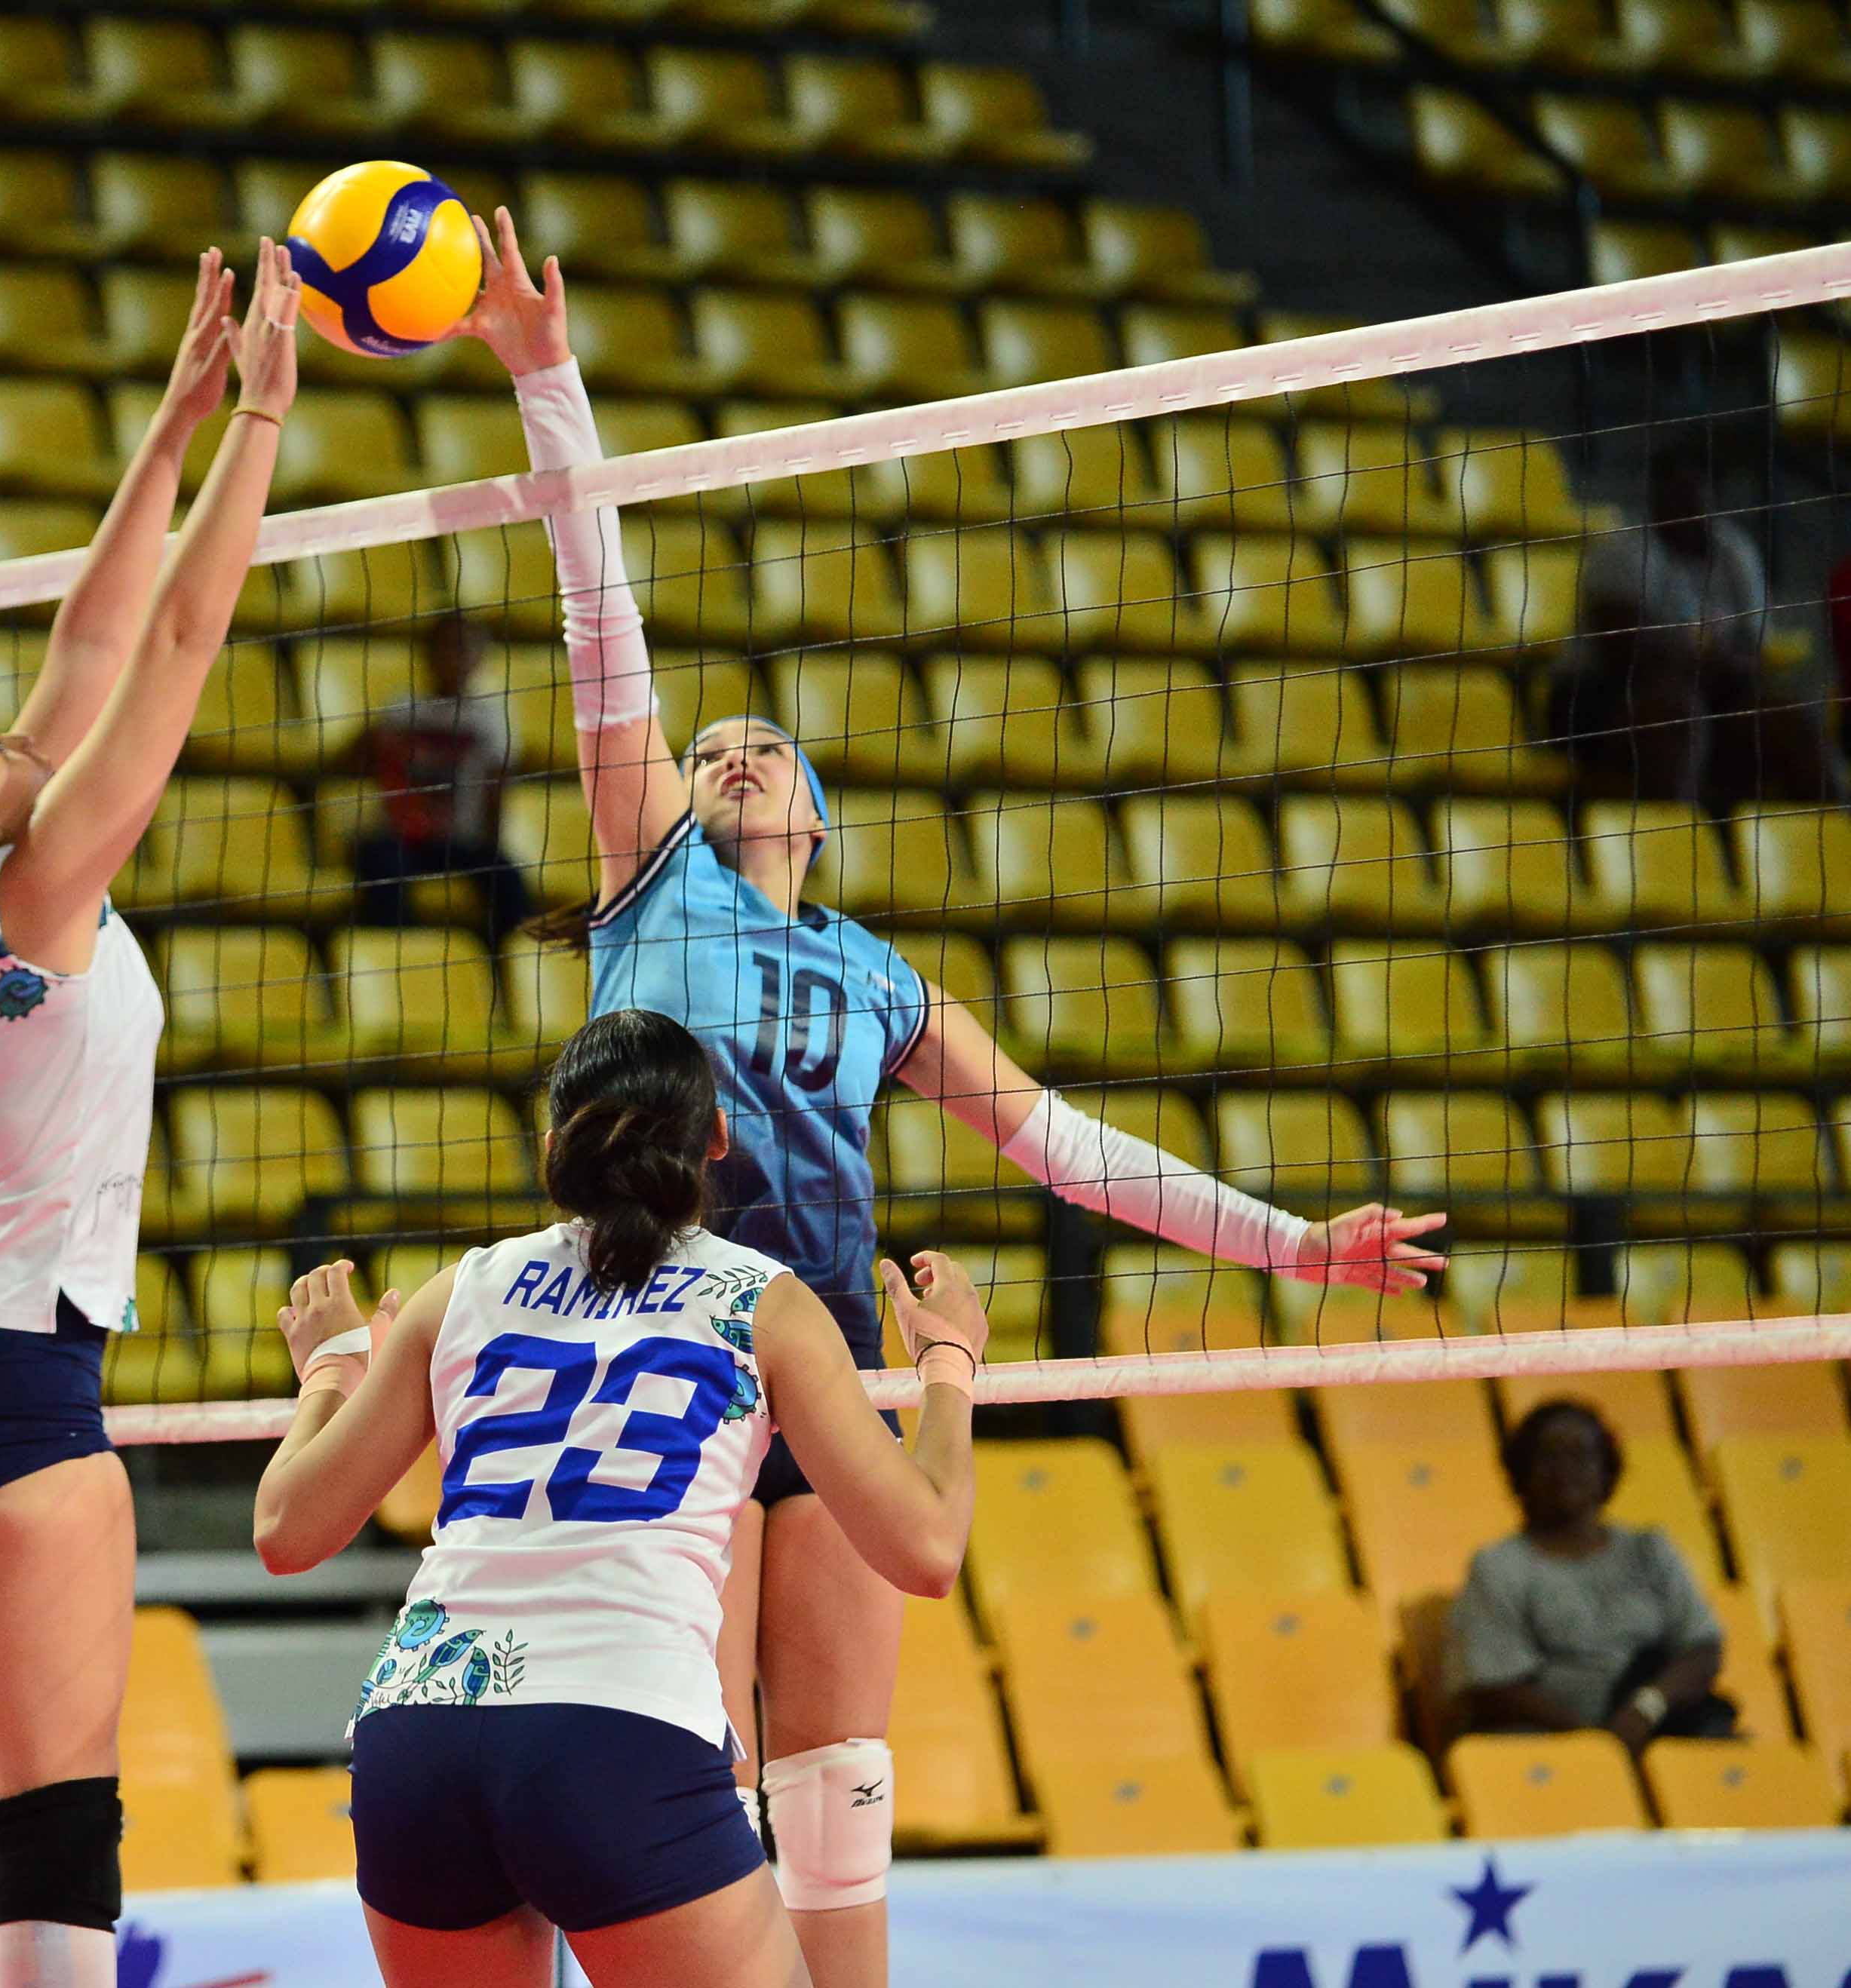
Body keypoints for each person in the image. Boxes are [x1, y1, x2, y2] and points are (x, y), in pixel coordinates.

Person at [464, 206, 1451, 1988]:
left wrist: (1294, 1246)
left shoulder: (877, 976)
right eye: (707, 748)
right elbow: (599, 621)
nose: (727, 752)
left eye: (763, 747)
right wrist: (550, 382)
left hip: (833, 1350)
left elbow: (1063, 1146)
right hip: (666, 1344)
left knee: (837, 1772)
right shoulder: (649, 877)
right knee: (686, 1768)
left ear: (817, 814)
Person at [0, 245, 294, 1988]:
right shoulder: (36, 885)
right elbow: (170, 640)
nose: (21, 737)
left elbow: (90, 640)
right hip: (11, 1374)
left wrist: (167, 425)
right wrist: (260, 427)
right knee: (53, 1820)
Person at [252, 1007, 985, 1988]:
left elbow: (286, 1529)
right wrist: (949, 1363)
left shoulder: (461, 1290)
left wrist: (331, 1371)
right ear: (716, 1138)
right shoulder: (762, 1299)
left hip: (420, 1731)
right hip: (614, 1730)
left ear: (556, 1145)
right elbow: (927, 1548)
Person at [1555, 449, 1843, 806]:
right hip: (1599, 701)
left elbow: (1753, 653)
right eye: (1673, 493)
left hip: (1705, 699)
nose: (1685, 505)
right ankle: (1675, 836)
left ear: (1712, 494)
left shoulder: (1736, 555)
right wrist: (1711, 661)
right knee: (1674, 718)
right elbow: (1629, 655)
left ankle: (1832, 833)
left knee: (1792, 723)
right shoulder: (1622, 554)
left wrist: (1714, 663)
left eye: (1693, 491)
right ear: (1655, 497)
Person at [1449, 1398, 1736, 1750]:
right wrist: (1597, 1741)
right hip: (1553, 1745)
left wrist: (1645, 1709)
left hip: (1659, 1730)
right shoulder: (1499, 1566)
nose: (1565, 1470)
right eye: (1548, 1457)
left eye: (1581, 1456)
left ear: (1606, 1470)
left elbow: (1702, 1648)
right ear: (1521, 1472)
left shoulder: (1649, 1550)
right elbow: (1494, 1688)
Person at [351, 611, 533, 946]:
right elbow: (355, 759)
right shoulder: (402, 708)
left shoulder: (491, 718)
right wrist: (372, 735)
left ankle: (505, 962)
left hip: (462, 841)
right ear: (428, 654)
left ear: (479, 657)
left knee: (508, 879)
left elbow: (497, 791)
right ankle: (396, 952)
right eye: (447, 647)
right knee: (378, 863)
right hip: (403, 839)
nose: (454, 657)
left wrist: (490, 843)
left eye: (464, 648)